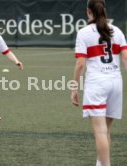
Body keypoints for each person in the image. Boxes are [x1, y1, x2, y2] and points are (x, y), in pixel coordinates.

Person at [71, 0, 127, 166]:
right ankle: (100, 163)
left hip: (97, 84)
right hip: (116, 83)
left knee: (100, 132)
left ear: (88, 11)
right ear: (104, 10)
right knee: (107, 130)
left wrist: (74, 88)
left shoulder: (84, 33)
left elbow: (80, 64)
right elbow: (125, 58)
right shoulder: (116, 31)